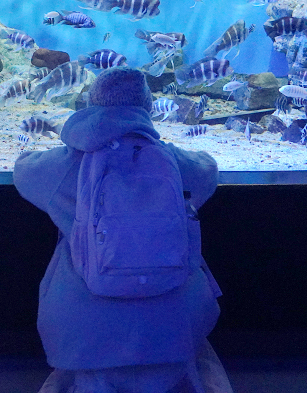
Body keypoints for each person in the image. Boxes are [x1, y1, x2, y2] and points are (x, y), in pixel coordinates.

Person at [14, 66, 233, 393]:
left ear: (92, 104)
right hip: (172, 329)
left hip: (85, 333)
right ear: (147, 107)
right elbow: (209, 168)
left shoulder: (67, 165)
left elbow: (23, 171)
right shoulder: (174, 163)